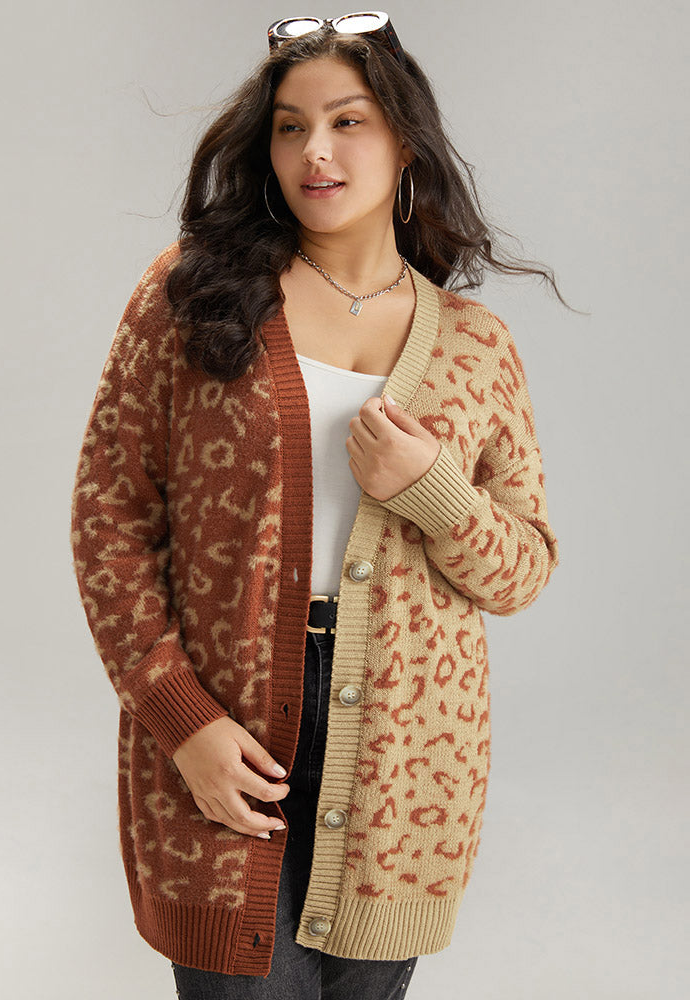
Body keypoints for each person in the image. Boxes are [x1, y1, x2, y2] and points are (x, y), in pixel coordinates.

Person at [70, 12, 561, 999]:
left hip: (407, 758)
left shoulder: (475, 345)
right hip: (231, 721)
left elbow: (523, 570)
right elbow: (108, 520)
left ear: (406, 141)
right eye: (290, 127)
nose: (316, 152)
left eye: (348, 121)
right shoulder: (192, 294)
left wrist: (432, 491)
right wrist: (183, 721)